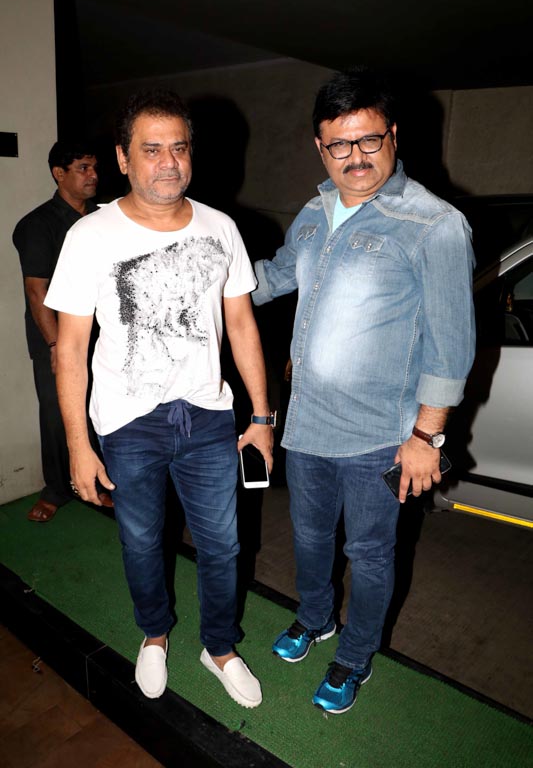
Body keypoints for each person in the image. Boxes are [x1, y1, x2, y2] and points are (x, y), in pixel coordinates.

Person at [252, 68, 476, 714]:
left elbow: (451, 344)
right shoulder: (313, 213)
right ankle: (315, 617)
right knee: (309, 540)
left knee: (370, 554)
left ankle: (354, 655)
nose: (355, 156)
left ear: (393, 135)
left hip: (380, 435)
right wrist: (204, 276)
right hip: (306, 427)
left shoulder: (434, 224)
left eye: (369, 139)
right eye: (338, 144)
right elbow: (272, 278)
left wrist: (426, 436)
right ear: (318, 146)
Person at [44, 89, 274, 708]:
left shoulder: (221, 228)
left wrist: (260, 416)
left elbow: (242, 325)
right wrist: (78, 446)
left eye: (179, 147)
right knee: (142, 542)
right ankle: (154, 634)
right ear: (123, 158)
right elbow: (70, 349)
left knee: (224, 544)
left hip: (208, 415)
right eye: (151, 149)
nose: (168, 162)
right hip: (128, 421)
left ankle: (219, 646)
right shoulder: (90, 235)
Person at [12, 141, 109, 522]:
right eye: (83, 168)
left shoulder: (104, 219)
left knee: (102, 410)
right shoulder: (37, 225)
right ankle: (56, 489)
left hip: (101, 334)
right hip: (55, 337)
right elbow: (37, 291)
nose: (93, 175)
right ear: (59, 174)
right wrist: (56, 345)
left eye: (94, 167)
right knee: (57, 414)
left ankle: (100, 483)